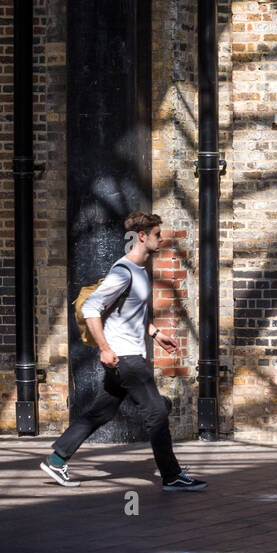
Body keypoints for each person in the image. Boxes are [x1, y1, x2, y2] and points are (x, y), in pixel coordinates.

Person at [40, 211, 207, 493]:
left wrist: (155, 333)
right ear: (142, 237)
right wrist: (104, 348)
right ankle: (171, 475)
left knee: (101, 412)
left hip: (127, 356)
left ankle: (57, 459)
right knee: (156, 412)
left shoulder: (140, 271)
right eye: (156, 234)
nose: (160, 238)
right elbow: (92, 307)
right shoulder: (123, 271)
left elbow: (131, 313)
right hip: (125, 358)